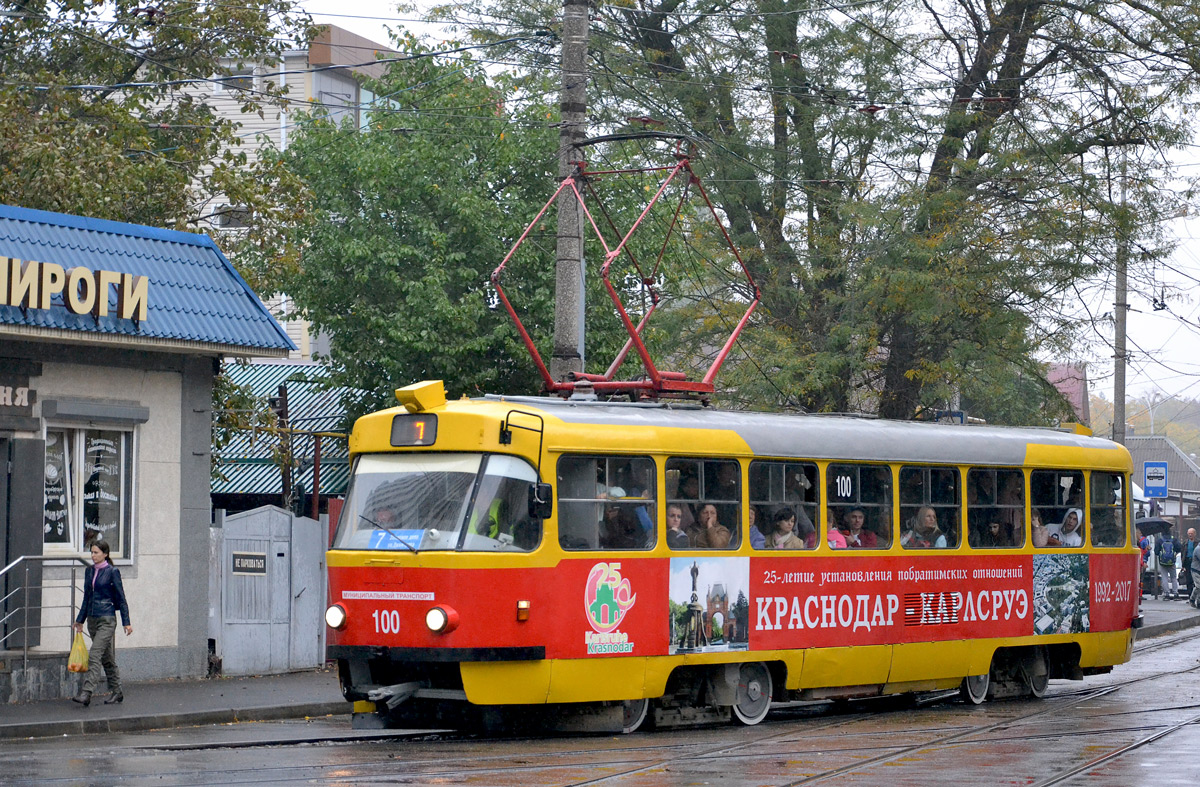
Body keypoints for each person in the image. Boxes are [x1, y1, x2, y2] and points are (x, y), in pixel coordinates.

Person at [72, 540, 131, 707]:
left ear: (105, 554)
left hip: (107, 619)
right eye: (91, 552)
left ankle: (86, 693)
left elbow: (121, 598)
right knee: (107, 659)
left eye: (96, 552)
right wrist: (80, 620)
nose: (93, 555)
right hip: (92, 619)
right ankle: (117, 692)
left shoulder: (112, 572)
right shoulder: (89, 571)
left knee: (95, 654)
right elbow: (87, 598)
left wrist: (126, 622)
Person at [1155, 531, 1180, 600]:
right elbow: (1179, 548)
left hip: (1162, 562)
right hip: (1172, 562)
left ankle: (1167, 594)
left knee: (1164, 577)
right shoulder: (1174, 540)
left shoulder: (1160, 540)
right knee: (1174, 578)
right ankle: (1175, 593)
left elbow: (1156, 551)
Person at [1183, 528, 1197, 602]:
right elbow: (1183, 553)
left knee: (1196, 581)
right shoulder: (1185, 542)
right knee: (1188, 581)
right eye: (1189, 533)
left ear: (1195, 534)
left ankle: (1195, 597)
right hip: (1187, 562)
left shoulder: (1197, 542)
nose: (1190, 535)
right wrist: (1183, 565)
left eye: (1191, 533)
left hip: (1195, 562)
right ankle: (1190, 597)